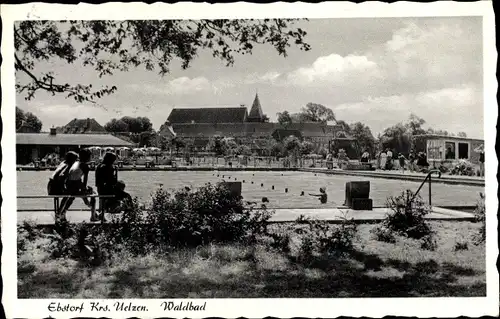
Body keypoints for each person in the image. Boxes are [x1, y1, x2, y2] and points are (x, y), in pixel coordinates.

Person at [58, 149, 97, 222]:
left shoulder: (76, 163)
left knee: (69, 199)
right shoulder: (85, 166)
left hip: (69, 183)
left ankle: (61, 213)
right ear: (88, 157)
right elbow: (85, 180)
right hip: (76, 184)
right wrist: (84, 189)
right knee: (90, 197)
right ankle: (94, 215)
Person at [95, 152, 118, 218]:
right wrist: (116, 172)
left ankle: (101, 214)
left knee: (101, 200)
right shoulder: (108, 167)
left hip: (100, 187)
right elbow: (113, 180)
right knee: (112, 199)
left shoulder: (99, 166)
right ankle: (102, 214)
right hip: (107, 187)